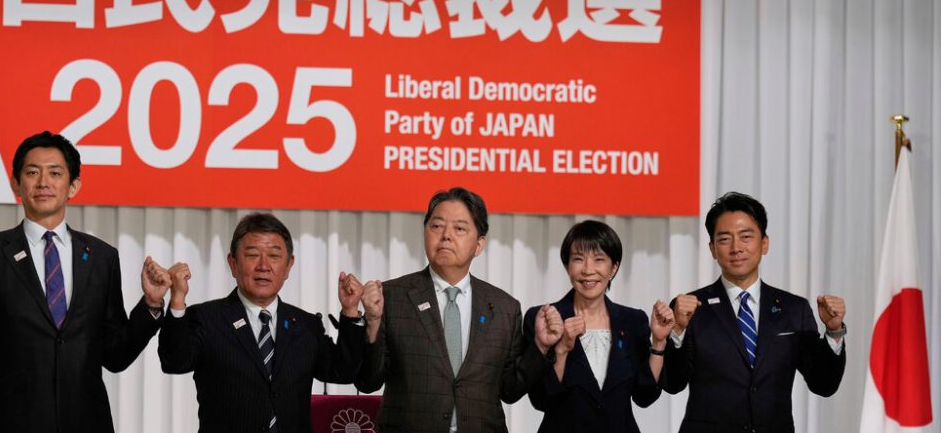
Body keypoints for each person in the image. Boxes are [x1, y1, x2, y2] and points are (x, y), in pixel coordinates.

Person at [0, 131, 170, 433]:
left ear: (73, 186)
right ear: (16, 183)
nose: (43, 182)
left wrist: (151, 304)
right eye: (32, 172)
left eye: (55, 173)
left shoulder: (101, 257)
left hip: (87, 422)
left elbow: (115, 355)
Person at [356, 186, 564, 433]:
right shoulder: (391, 297)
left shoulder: (504, 308)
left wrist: (540, 347)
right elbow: (368, 381)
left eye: (459, 228)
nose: (446, 236)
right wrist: (373, 322)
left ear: (479, 245)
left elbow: (509, 390)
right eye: (436, 226)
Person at [158, 212, 367, 433]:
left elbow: (343, 372)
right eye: (252, 255)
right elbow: (174, 361)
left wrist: (350, 311)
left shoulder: (306, 325)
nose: (264, 266)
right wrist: (177, 299)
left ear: (289, 266)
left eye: (274, 256)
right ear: (233, 263)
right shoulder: (207, 318)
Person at [663, 191, 847, 432]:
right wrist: (677, 330)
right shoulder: (689, 308)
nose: (736, 248)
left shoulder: (794, 309)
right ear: (712, 249)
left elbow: (823, 384)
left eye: (746, 237)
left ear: (764, 243)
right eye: (725, 239)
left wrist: (834, 331)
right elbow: (673, 383)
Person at [524, 220, 674, 432]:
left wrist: (658, 343)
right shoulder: (543, 319)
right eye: (578, 259)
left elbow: (644, 396)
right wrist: (562, 349)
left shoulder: (633, 321)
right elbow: (542, 400)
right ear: (567, 266)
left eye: (599, 259)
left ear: (614, 268)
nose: (588, 270)